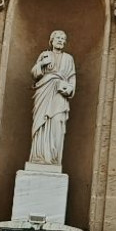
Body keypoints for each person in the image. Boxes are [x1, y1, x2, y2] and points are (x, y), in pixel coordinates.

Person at [28, 30, 78, 167]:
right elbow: (34, 74)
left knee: (57, 123)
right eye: (58, 38)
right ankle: (39, 157)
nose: (61, 40)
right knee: (41, 123)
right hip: (44, 92)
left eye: (63, 38)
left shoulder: (69, 58)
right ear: (52, 40)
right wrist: (42, 64)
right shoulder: (45, 55)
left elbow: (72, 78)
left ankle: (53, 159)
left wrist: (70, 89)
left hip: (59, 96)